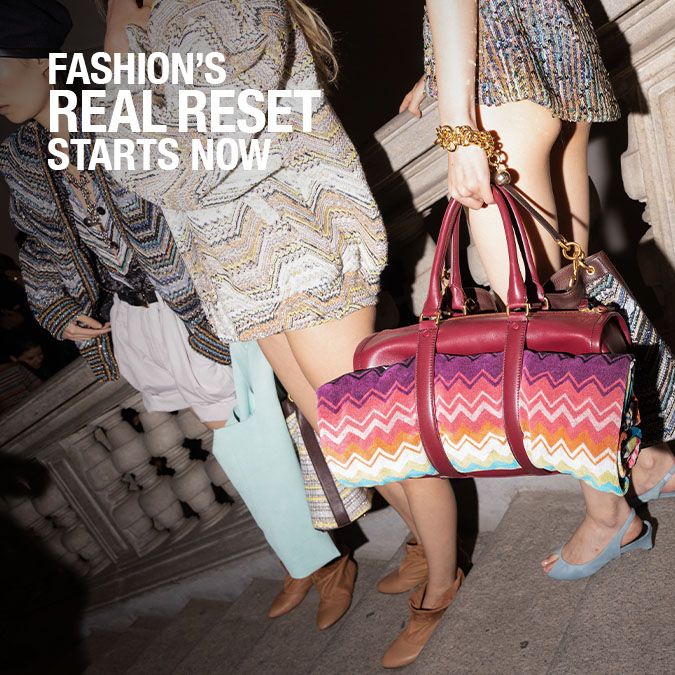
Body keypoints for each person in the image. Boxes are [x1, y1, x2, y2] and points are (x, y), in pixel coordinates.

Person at [97, 0, 459, 646]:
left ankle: (444, 577)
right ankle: (425, 544)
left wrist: (117, 40)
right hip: (248, 271)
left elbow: (174, 161)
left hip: (302, 246)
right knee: (347, 439)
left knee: (376, 434)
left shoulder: (223, 5)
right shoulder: (158, 23)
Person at [0, 0, 354, 630]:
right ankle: (307, 552)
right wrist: (55, 304)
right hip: (136, 312)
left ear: (42, 62)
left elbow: (198, 171)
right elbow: (40, 244)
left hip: (201, 286)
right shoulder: (21, 157)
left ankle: (325, 555)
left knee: (259, 427)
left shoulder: (122, 100)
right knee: (237, 434)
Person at [385, 0, 675, 665]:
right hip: (552, 34)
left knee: (539, 328)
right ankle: (644, 459)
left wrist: (458, 128)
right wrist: (440, 62)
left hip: (499, 75)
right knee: (571, 300)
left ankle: (610, 515)